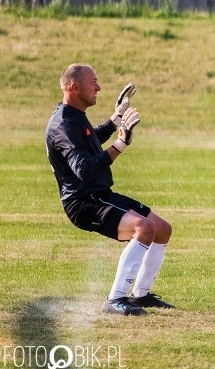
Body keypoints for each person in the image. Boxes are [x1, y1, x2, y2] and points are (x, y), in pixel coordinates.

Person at [45, 64, 175, 316]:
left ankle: (141, 295)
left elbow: (90, 138)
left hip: (100, 195)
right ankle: (115, 299)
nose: (99, 88)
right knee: (144, 228)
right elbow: (84, 169)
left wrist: (116, 118)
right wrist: (120, 144)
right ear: (74, 87)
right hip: (83, 202)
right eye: (93, 82)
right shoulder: (63, 124)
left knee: (162, 229)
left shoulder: (73, 116)